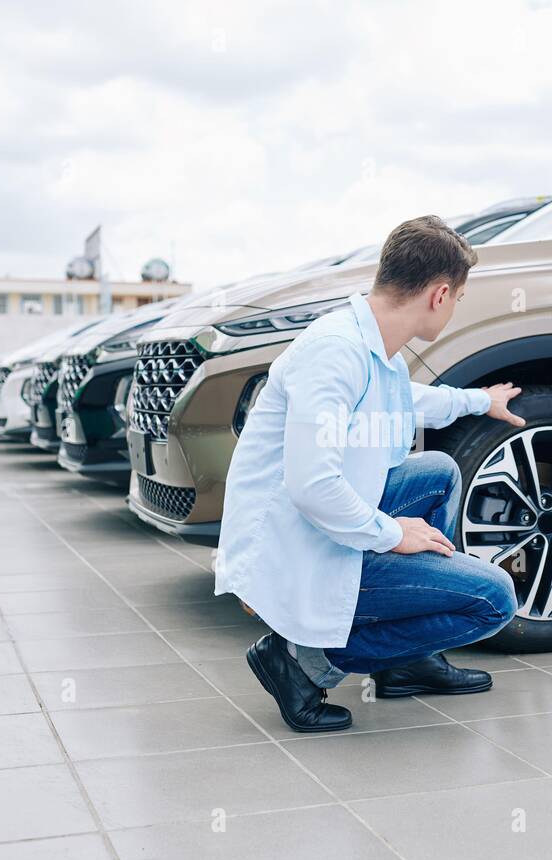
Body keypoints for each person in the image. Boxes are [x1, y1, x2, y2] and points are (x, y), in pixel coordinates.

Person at [215, 216, 523, 732]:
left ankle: (406, 661)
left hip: (321, 521)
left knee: (439, 473)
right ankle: (298, 664)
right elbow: (313, 487)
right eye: (460, 298)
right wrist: (393, 534)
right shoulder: (335, 352)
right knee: (493, 601)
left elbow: (405, 402)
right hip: (297, 545)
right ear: (439, 294)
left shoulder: (373, 348)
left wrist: (479, 401)